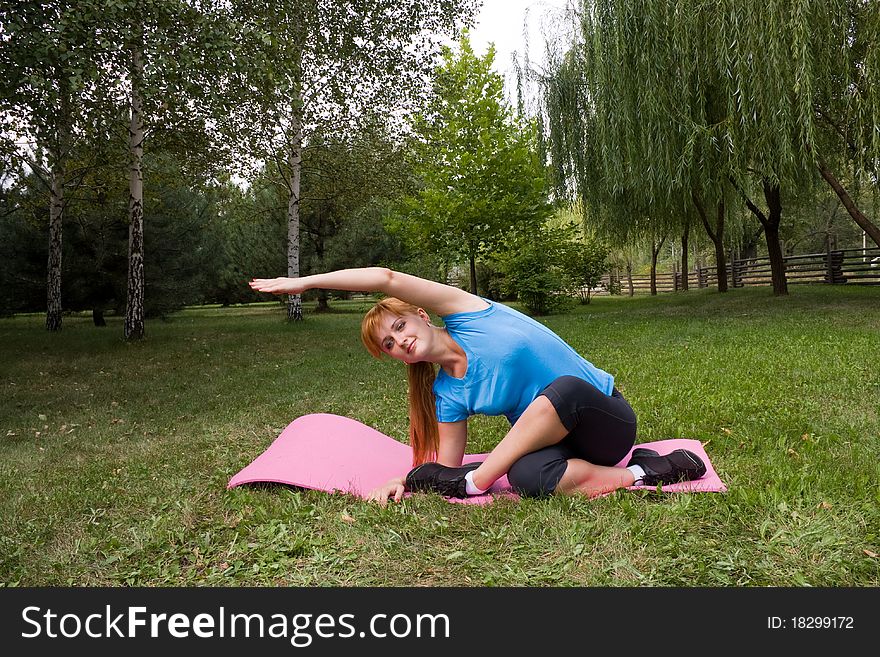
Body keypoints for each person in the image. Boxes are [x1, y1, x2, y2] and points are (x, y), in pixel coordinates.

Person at [249, 267, 706, 504]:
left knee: (562, 389)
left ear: (422, 315)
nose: (401, 340)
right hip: (564, 447)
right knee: (528, 477)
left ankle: (481, 481)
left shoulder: (467, 311)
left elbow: (385, 278)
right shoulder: (446, 395)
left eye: (401, 326)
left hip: (603, 418)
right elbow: (448, 467)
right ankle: (650, 471)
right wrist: (405, 482)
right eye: (389, 343)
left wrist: (305, 282)